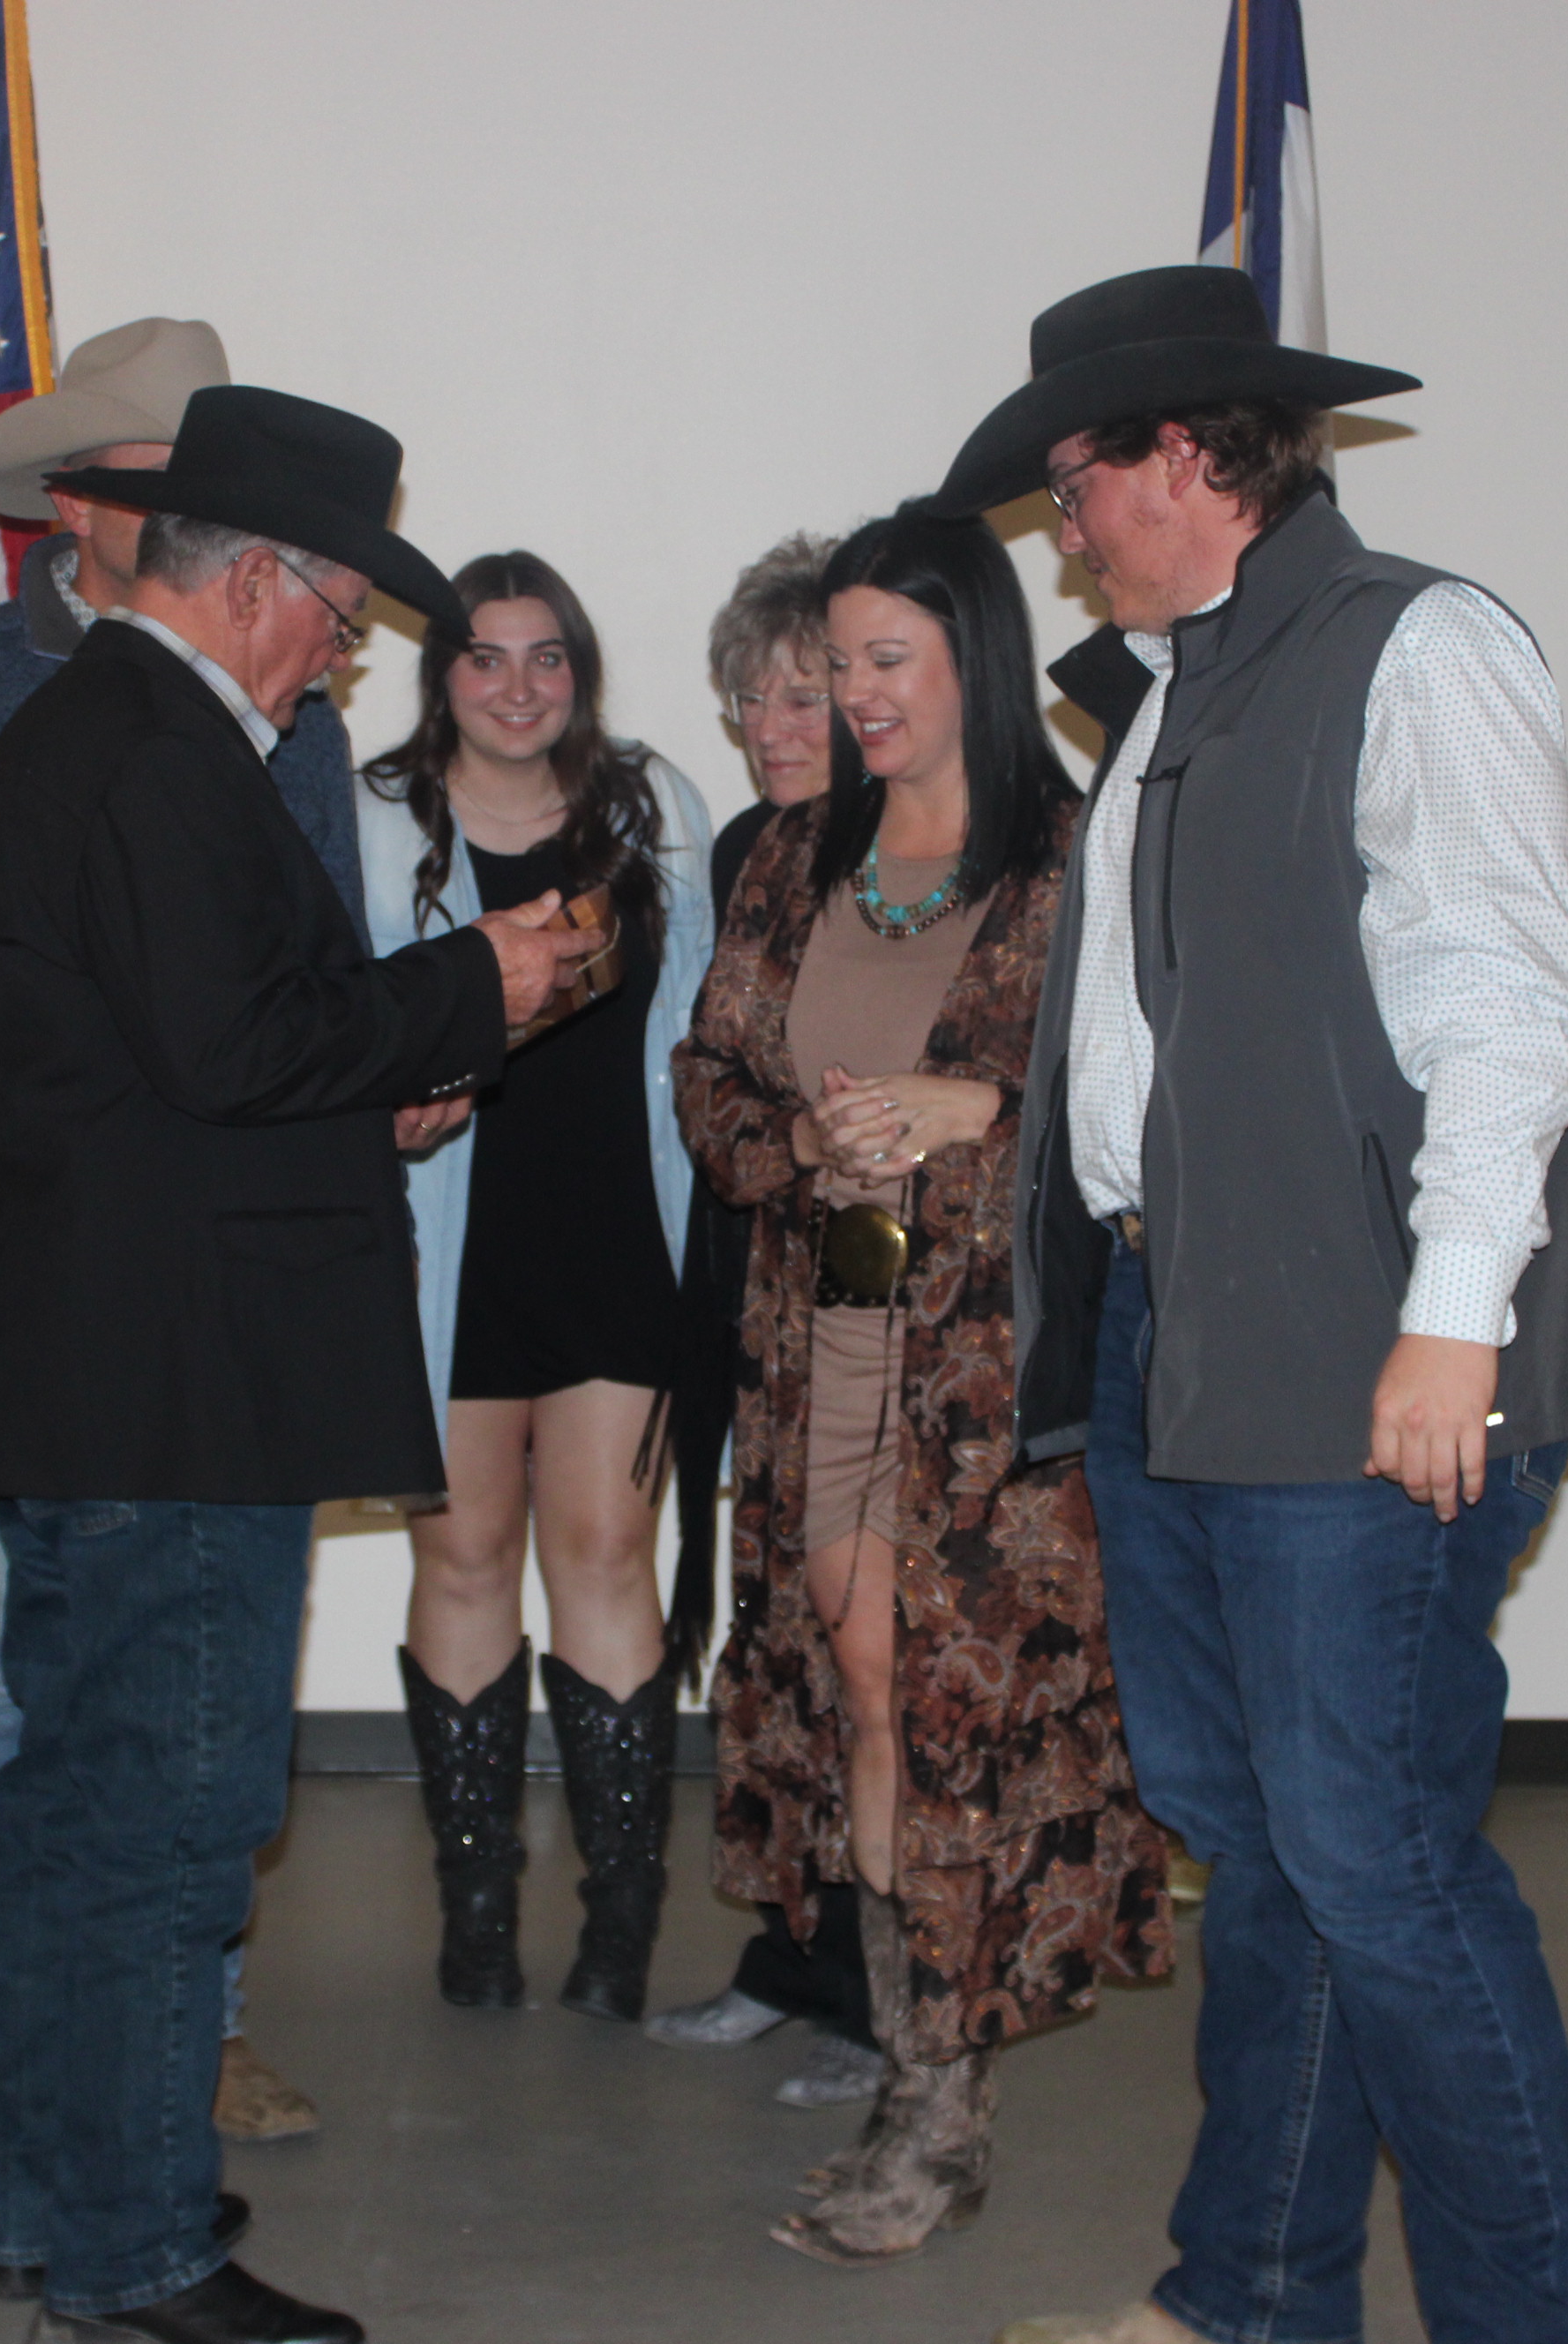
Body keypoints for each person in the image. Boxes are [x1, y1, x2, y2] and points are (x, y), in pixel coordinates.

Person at [934, 268, 1568, 2344]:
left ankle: (1526, 2314)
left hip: (1371, 1371)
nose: (1058, 525)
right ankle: (1253, 2297)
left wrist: (1453, 1321)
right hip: (1199, 1353)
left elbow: (1512, 1004)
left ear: (1191, 454)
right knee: (1270, 1854)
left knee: (1370, 1857)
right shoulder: (1178, 689)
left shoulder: (1415, 646)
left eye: (1074, 480)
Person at [0, 385, 597, 2344]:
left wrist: (360, 1096)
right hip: (174, 1389)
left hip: (119, 1368)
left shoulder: (121, 739)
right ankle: (134, 2252)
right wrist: (490, 982)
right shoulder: (153, 751)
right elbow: (230, 1047)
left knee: (79, 1812)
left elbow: (188, 1060)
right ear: (259, 585)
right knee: (164, 1816)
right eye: (342, 606)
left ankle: (67, 2203)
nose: (353, 646)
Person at [0, 318, 345, 2208]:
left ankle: (175, 2029)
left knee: (193, 1677)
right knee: (3, 1666)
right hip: (4, 1272)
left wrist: (391, 1068)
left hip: (209, 1287)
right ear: (102, 507)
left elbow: (304, 976)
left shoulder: (295, 711)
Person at [672, 506, 1174, 2268]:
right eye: (837, 663)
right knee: (858, 1694)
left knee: (928, 1697)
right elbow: (710, 1078)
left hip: (996, 1377)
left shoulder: (1073, 867)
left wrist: (991, 1114)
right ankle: (911, 2064)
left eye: (887, 660)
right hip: (826, 1339)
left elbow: (1152, 1119)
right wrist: (803, 1130)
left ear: (974, 655)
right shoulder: (793, 856)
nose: (854, 695)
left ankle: (936, 2107)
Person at [355, 550, 711, 2024]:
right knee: (460, 1556)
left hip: (616, 1238)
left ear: (582, 670)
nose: (518, 687)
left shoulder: (655, 807)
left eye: (547, 656)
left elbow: (695, 1026)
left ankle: (621, 1921)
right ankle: (479, 1910)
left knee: (611, 1555)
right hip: (443, 1245)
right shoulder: (370, 819)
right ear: (439, 675)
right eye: (486, 658)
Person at [643, 531, 889, 2110]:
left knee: (870, 1652)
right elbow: (717, 1085)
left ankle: (882, 1994)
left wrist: (857, 1328)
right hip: (751, 1274)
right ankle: (791, 1959)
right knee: (770, 1649)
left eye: (806, 694)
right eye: (752, 700)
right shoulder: (745, 848)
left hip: (867, 1288)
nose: (776, 727)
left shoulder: (910, 853)